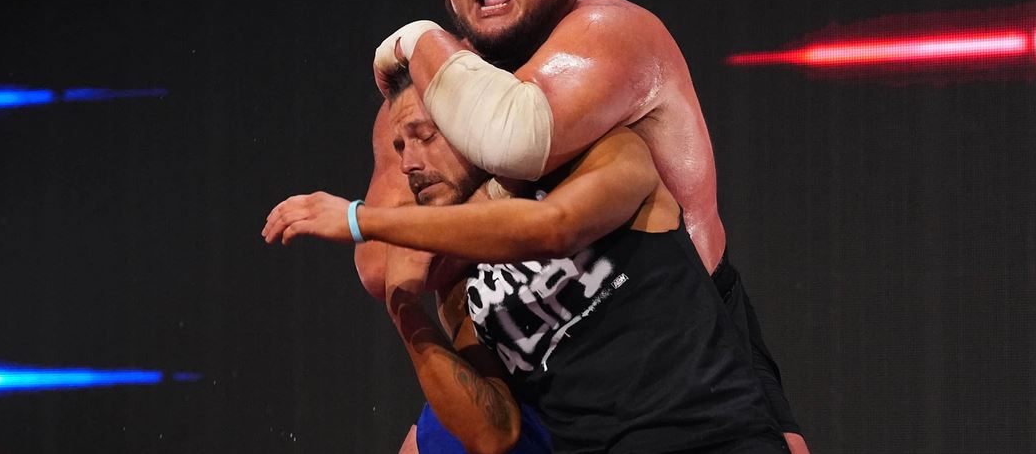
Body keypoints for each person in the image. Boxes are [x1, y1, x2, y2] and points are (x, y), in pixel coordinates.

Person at [362, 0, 809, 453]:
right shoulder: (424, 93)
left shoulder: (611, 32)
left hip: (678, 349)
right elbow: (382, 264)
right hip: (539, 359)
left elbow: (514, 142)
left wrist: (417, 42)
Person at [263, 76, 786, 453]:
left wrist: (362, 220)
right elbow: (492, 433)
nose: (409, 164)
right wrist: (404, 309)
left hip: (712, 435)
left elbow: (554, 227)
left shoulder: (600, 154)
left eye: (425, 136)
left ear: (472, 123)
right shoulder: (462, 293)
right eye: (400, 147)